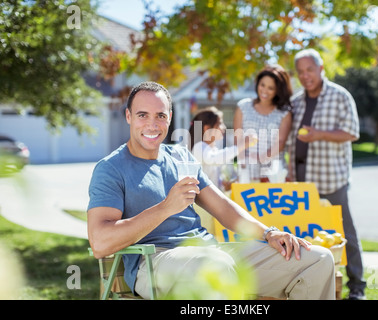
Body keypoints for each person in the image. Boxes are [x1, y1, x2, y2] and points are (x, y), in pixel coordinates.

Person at [87, 81, 336, 300]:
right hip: (155, 263)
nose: (152, 124)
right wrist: (165, 208)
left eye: (160, 116)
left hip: (211, 251)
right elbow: (100, 242)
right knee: (215, 266)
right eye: (143, 115)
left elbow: (223, 208)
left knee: (317, 260)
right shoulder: (110, 169)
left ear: (170, 118)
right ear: (129, 116)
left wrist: (269, 233)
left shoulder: (181, 156)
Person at [288, 48, 366, 300]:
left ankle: (357, 287)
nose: (305, 75)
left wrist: (319, 134)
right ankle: (307, 284)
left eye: (310, 69)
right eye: (300, 72)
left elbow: (352, 132)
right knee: (306, 235)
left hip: (332, 179)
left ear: (321, 69)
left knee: (345, 232)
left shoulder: (340, 96)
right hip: (302, 181)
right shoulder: (297, 101)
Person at [233, 64, 292, 182]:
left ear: (278, 91)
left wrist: (261, 159)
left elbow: (280, 142)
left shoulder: (284, 113)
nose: (264, 91)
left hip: (274, 173)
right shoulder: (243, 106)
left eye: (271, 88)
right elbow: (238, 139)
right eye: (262, 85)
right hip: (247, 171)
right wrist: (244, 165)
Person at [189, 106, 255, 191]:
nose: (224, 127)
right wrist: (242, 145)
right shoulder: (199, 147)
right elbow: (214, 159)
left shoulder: (213, 149)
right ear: (207, 128)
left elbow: (211, 178)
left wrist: (223, 184)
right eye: (220, 124)